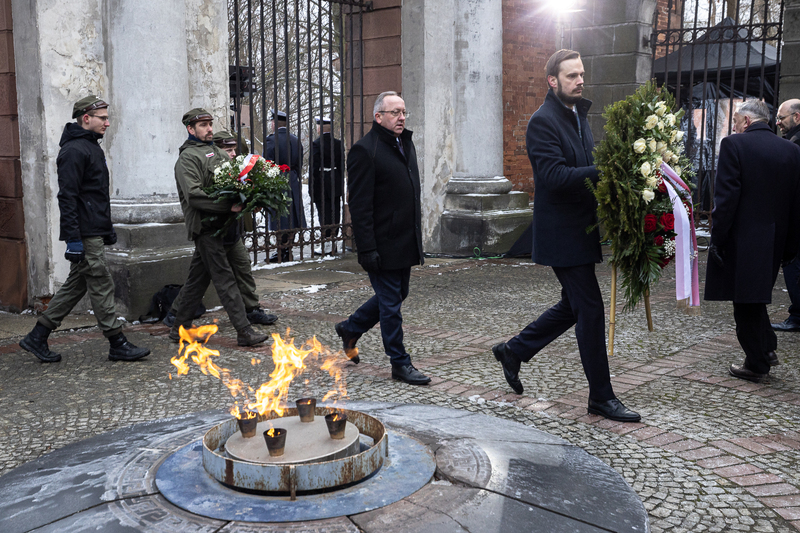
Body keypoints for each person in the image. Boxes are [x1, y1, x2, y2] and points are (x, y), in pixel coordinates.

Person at [491, 50, 640, 422]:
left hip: (583, 229)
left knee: (573, 306)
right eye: (571, 75)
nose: (579, 80)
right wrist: (603, 168)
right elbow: (554, 178)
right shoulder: (542, 121)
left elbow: (585, 171)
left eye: (582, 74)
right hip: (561, 234)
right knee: (589, 308)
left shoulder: (579, 116)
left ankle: (514, 351)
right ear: (552, 81)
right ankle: (601, 398)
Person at [19, 96, 150, 363]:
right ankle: (117, 342)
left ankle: (37, 336)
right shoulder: (74, 151)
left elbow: (94, 195)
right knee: (101, 281)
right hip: (84, 233)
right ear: (86, 118)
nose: (108, 122)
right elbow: (68, 198)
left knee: (77, 284)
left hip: (93, 228)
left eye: (107, 117)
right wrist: (73, 239)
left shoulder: (90, 147)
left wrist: (106, 228)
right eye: (102, 118)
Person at [334, 91, 430, 385]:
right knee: (391, 305)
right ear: (379, 117)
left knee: (398, 295)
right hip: (382, 244)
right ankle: (400, 363)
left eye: (403, 112)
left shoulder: (404, 143)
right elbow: (360, 206)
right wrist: (367, 249)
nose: (401, 117)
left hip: (404, 240)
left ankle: (351, 328)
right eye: (395, 112)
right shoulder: (366, 150)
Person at [705, 100, 800, 383]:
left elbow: (726, 198)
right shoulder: (793, 151)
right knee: (755, 297)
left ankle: (756, 363)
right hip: (775, 239)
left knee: (744, 302)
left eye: (735, 120)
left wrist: (718, 238)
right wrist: (790, 247)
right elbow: (797, 205)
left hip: (741, 238)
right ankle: (767, 348)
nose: (734, 126)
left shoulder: (735, 145)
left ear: (746, 121)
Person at [169, 108, 268, 347]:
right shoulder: (188, 159)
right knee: (225, 279)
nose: (209, 128)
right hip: (206, 227)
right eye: (203, 125)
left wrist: (251, 198)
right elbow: (194, 196)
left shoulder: (217, 152)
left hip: (225, 226)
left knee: (197, 281)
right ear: (190, 129)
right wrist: (228, 206)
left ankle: (178, 329)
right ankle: (244, 331)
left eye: (210, 124)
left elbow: (237, 180)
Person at [771, 98, 800, 334]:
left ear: (797, 117)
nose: (778, 123)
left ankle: (798, 315)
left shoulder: (796, 143)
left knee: (793, 265)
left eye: (781, 118)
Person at [264, 109, 306, 262]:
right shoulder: (295, 140)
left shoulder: (271, 140)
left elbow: (267, 164)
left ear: (274, 123)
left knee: (279, 216)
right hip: (293, 179)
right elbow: (299, 163)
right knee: (292, 215)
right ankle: (288, 248)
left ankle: (281, 250)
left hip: (277, 179)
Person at [310, 116, 344, 254]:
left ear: (319, 128)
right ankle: (333, 242)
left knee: (323, 213)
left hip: (322, 181)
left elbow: (313, 168)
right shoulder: (338, 143)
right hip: (335, 180)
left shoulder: (316, 144)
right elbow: (342, 165)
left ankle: (327, 243)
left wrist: (312, 187)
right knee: (335, 212)